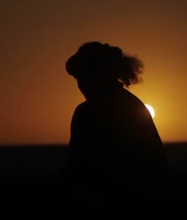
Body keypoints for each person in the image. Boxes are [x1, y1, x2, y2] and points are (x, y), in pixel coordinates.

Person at [63, 41, 169, 206]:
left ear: (101, 75)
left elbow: (76, 166)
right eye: (80, 78)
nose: (82, 84)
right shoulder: (132, 106)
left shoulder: (91, 112)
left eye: (86, 76)